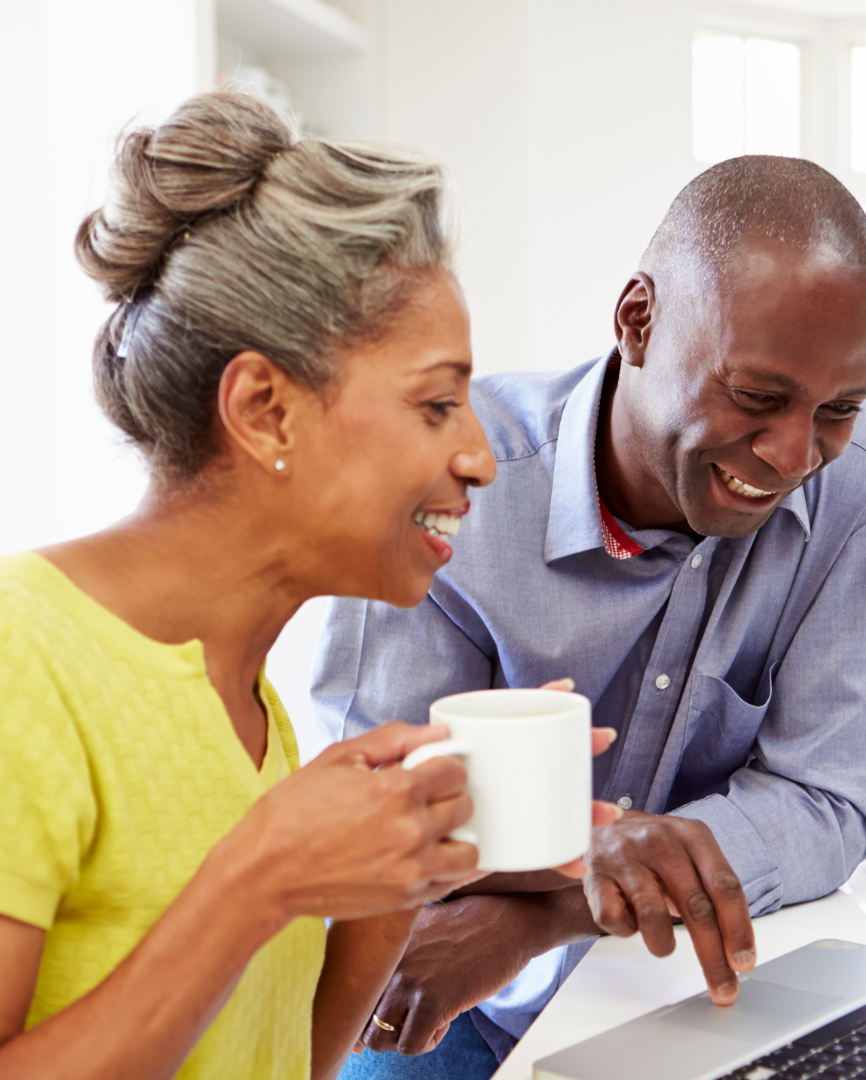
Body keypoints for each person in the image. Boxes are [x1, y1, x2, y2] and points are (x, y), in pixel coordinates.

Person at [0, 90, 620, 1080]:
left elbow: (282, 1064)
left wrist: (414, 866)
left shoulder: (254, 713)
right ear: (265, 410)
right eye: (436, 403)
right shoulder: (22, 662)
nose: (480, 457)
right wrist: (259, 879)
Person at [313, 155, 866, 1080]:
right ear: (638, 321)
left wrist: (556, 904)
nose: (797, 452)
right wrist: (582, 854)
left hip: (697, 990)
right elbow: (368, 826)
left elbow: (827, 800)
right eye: (758, 397)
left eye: (838, 408)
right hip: (456, 991)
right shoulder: (448, 480)